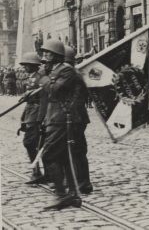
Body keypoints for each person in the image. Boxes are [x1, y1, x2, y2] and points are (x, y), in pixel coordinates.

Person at [39, 40, 82, 209]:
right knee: (63, 158)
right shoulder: (55, 70)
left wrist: (42, 77)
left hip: (62, 118)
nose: (44, 56)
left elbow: (54, 89)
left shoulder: (66, 69)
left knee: (48, 155)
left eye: (48, 53)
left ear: (56, 55)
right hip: (55, 118)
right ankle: (73, 194)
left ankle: (62, 194)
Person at [64, 46, 93, 194]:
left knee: (78, 150)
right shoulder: (72, 73)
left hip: (75, 118)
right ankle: (79, 180)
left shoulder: (72, 75)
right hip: (76, 117)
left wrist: (68, 114)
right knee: (76, 150)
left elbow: (75, 98)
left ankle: (83, 182)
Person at [18, 52, 43, 181]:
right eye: (24, 65)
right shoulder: (30, 77)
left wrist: (30, 93)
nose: (25, 67)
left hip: (37, 113)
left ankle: (39, 172)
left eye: (27, 65)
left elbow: (44, 94)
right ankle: (37, 171)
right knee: (34, 143)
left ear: (34, 65)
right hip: (29, 112)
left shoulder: (40, 77)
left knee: (31, 142)